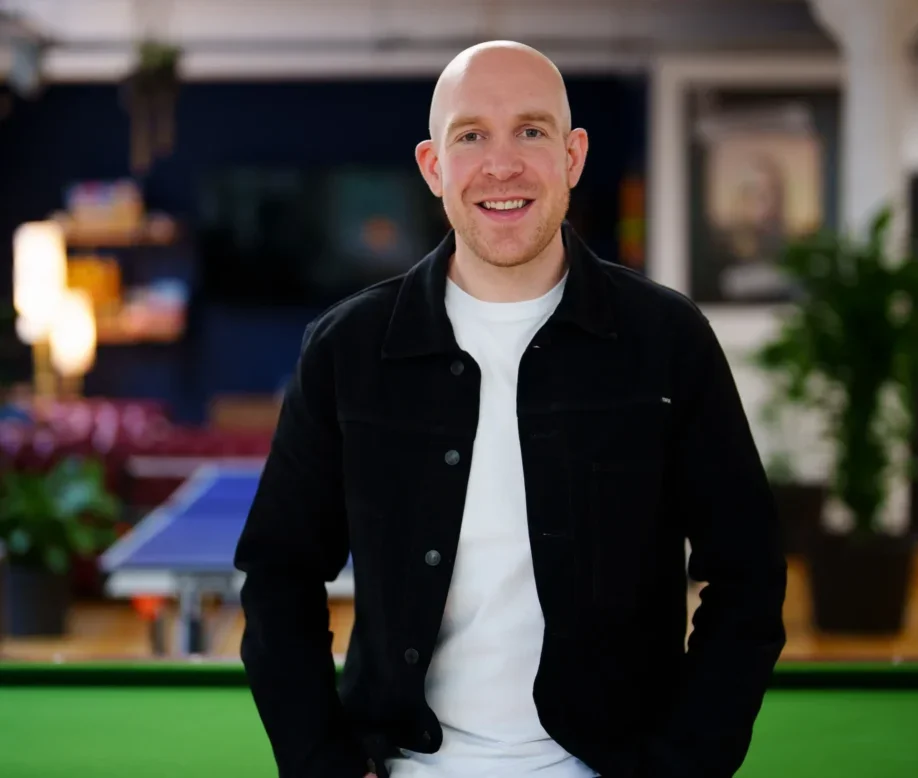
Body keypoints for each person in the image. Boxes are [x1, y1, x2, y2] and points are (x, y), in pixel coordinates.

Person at [234, 41, 787, 778]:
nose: (502, 165)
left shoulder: (669, 341)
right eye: (471, 136)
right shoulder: (347, 350)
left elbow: (748, 576)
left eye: (531, 130)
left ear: (573, 157)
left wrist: (685, 766)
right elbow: (278, 575)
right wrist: (322, 765)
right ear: (434, 167)